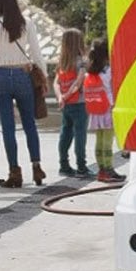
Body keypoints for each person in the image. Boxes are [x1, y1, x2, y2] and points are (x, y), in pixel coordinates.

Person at [0, 0, 47, 186]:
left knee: (8, 127)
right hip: (23, 74)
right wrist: (43, 77)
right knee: (29, 124)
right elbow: (36, 53)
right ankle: (36, 167)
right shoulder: (26, 23)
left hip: (0, 76)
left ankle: (14, 171)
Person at [54, 29, 91, 179]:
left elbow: (56, 82)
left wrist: (60, 97)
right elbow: (79, 81)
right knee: (80, 134)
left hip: (66, 104)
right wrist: (69, 94)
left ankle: (64, 164)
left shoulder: (62, 62)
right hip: (79, 103)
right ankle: (81, 166)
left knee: (65, 133)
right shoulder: (80, 61)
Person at [85, 38, 118, 183]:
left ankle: (101, 170)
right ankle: (109, 169)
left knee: (98, 140)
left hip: (95, 109)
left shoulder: (90, 72)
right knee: (108, 141)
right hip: (108, 109)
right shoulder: (108, 72)